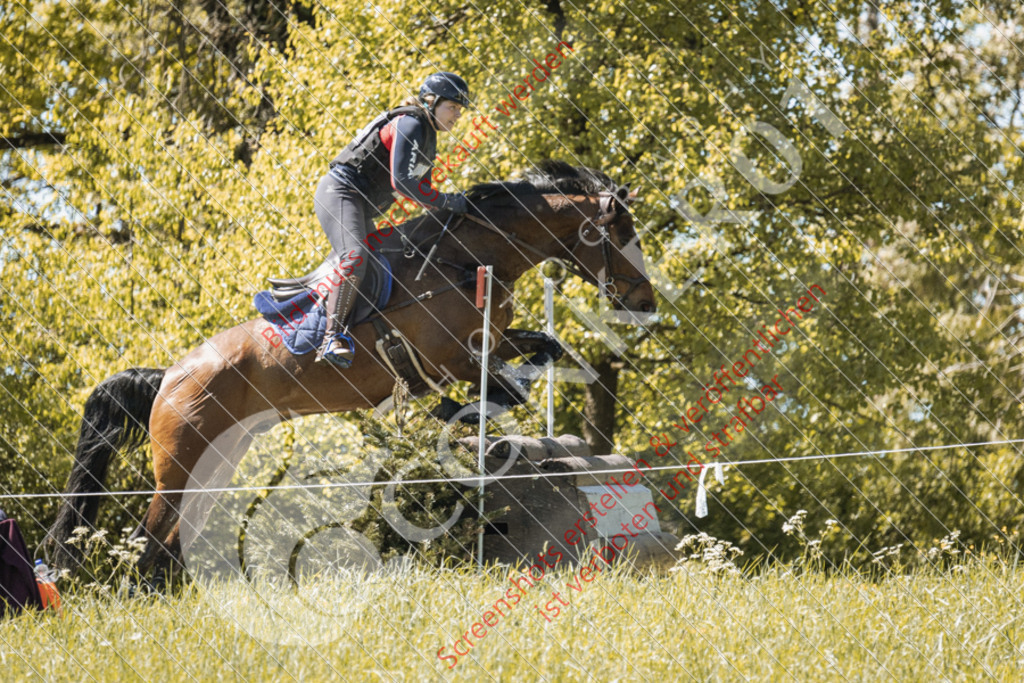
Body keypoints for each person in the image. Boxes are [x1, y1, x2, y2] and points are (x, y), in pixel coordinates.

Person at [313, 72, 471, 367]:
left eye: (460, 110)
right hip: (340, 192)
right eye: (453, 107)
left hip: (358, 204)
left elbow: (425, 193)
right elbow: (402, 182)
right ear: (430, 101)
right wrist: (448, 201)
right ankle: (330, 338)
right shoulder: (411, 123)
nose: (457, 116)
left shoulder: (428, 138)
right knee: (356, 256)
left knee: (387, 264)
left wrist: (458, 210)